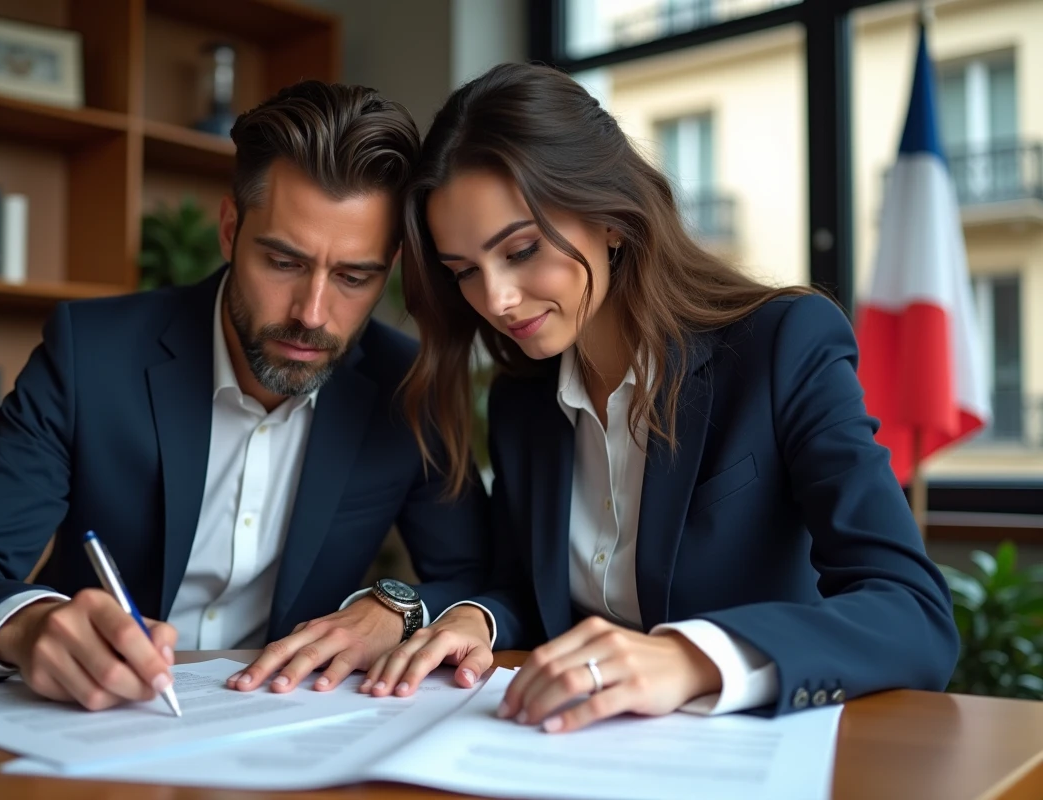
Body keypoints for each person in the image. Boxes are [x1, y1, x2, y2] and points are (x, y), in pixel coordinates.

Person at [359, 62, 959, 732]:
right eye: (464, 272)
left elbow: (914, 614)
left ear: (610, 217)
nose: (495, 299)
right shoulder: (522, 404)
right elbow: (530, 590)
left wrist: (688, 659)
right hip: (568, 751)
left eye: (522, 250)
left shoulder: (782, 347)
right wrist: (480, 614)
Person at [0, 80, 493, 710]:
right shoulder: (92, 354)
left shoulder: (408, 387)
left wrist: (398, 611)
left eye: (353, 276)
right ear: (230, 229)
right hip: (90, 724)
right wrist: (30, 625)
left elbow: (486, 582)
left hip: (283, 729)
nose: (313, 313)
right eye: (283, 262)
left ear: (389, 268)